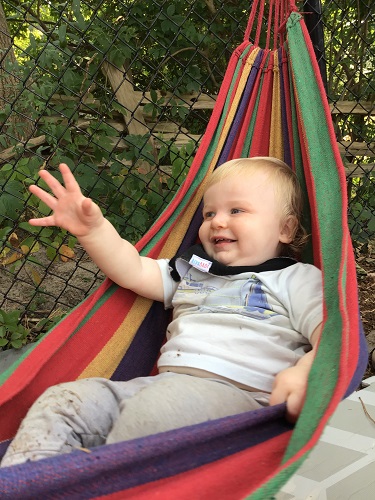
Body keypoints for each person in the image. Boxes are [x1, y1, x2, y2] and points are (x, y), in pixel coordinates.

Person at [0, 157, 323, 467]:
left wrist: (305, 370)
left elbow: (333, 333)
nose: (218, 221)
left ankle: (100, 484)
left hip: (240, 402)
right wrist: (93, 231)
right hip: (157, 387)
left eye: (236, 210)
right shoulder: (192, 270)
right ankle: (23, 482)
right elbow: (132, 270)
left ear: (286, 229)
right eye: (209, 214)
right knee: (63, 401)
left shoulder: (296, 278)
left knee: (155, 409)